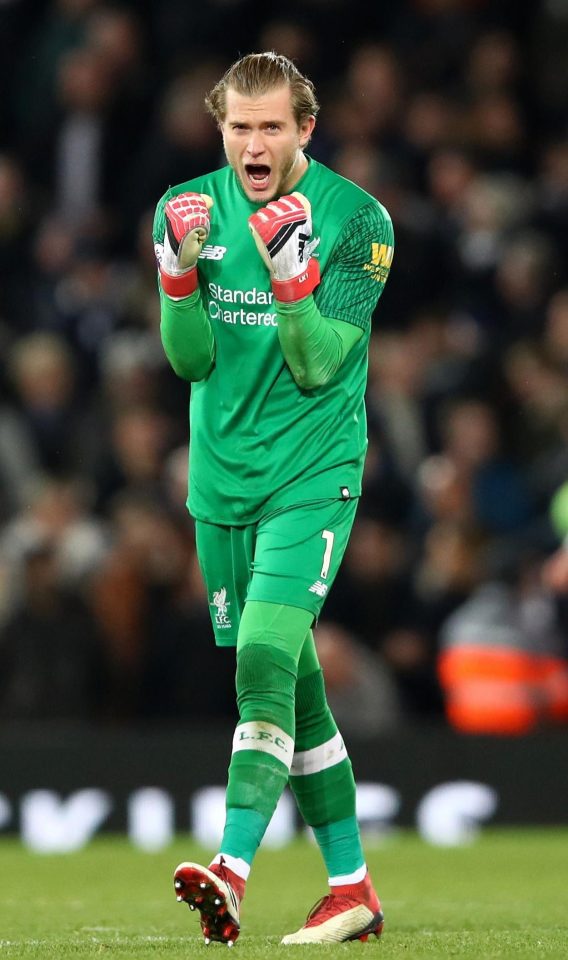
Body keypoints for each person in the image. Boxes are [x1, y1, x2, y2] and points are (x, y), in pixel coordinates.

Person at [153, 52, 394, 946]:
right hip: (221, 485)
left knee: (261, 656)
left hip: (312, 475)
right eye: (239, 127)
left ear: (305, 130)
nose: (254, 143)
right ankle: (352, 888)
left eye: (272, 127)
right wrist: (178, 278)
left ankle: (231, 869)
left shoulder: (358, 221)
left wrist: (295, 286)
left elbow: (319, 360)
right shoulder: (187, 209)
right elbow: (188, 360)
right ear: (220, 127)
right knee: (294, 688)